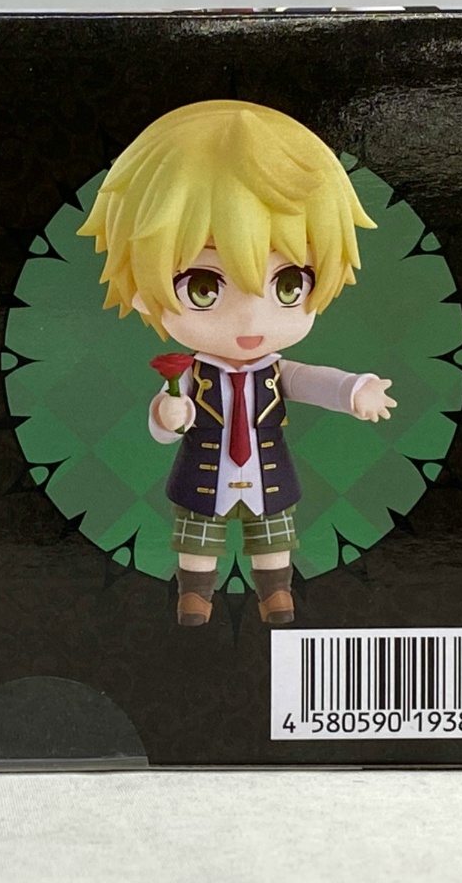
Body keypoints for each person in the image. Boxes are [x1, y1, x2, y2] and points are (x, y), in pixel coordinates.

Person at [78, 100, 396, 627]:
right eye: (203, 287)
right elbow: (164, 418)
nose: (251, 319)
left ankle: (276, 593)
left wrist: (354, 389)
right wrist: (167, 416)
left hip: (268, 473)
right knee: (197, 539)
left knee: (273, 537)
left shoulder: (275, 370)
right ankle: (194, 595)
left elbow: (310, 381)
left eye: (289, 284)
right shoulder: (190, 372)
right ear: (141, 289)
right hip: (202, 473)